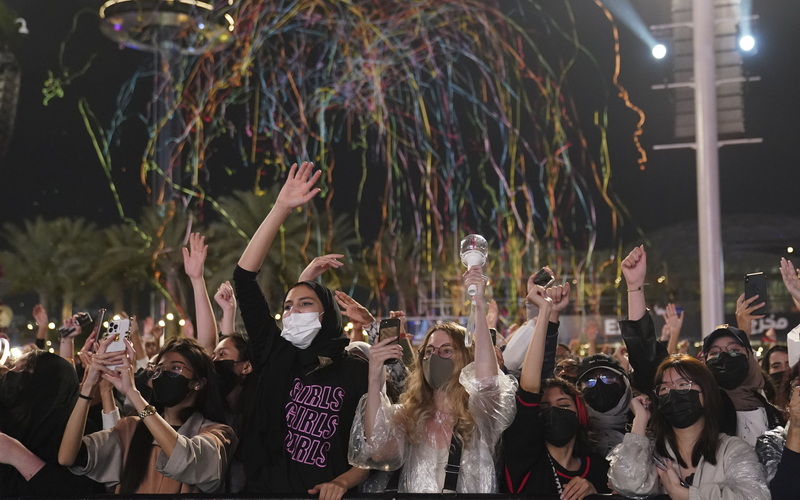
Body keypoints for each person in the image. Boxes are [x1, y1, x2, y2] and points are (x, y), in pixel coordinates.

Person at [233, 162, 370, 499]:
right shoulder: (275, 352)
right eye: (287, 306)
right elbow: (244, 279)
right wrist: (280, 209)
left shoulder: (353, 368)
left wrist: (343, 482)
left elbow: (376, 445)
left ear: (329, 316)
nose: (293, 312)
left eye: (305, 304)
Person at [349, 265, 517, 493]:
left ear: (467, 357)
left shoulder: (479, 411)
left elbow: (487, 382)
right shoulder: (409, 415)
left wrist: (478, 303)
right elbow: (378, 450)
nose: (435, 357)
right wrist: (375, 371)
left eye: (446, 350)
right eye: (429, 351)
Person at [619, 245, 783, 444]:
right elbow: (646, 354)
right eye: (714, 353)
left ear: (750, 357)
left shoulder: (776, 415)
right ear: (703, 362)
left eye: (734, 351)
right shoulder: (704, 410)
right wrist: (634, 287)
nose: (724, 357)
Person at [58, 336, 236, 494]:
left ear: (197, 383)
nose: (163, 374)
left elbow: (184, 459)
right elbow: (67, 456)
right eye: (158, 369)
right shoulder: (130, 429)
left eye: (175, 368)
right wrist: (89, 386)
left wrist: (133, 393)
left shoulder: (218, 434)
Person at [608, 355, 770, 500]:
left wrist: (687, 496)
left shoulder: (732, 450)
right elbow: (627, 484)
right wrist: (640, 421)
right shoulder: (651, 453)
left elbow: (754, 496)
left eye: (683, 384)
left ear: (706, 393)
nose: (673, 392)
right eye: (665, 388)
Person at [502, 284, 610, 498]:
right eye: (544, 407)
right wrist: (545, 312)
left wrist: (596, 493)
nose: (554, 411)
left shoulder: (598, 468)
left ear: (580, 412)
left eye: (563, 405)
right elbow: (530, 386)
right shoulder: (523, 459)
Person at [0, 351, 102, 496]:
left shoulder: (79, 434)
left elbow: (80, 492)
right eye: (13, 368)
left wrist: (19, 456)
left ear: (47, 384)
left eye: (22, 370)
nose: (10, 375)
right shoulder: (7, 422)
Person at [576, 353, 632, 456]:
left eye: (608, 377)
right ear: (579, 389)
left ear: (624, 383)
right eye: (589, 380)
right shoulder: (576, 432)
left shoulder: (641, 419)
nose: (599, 383)